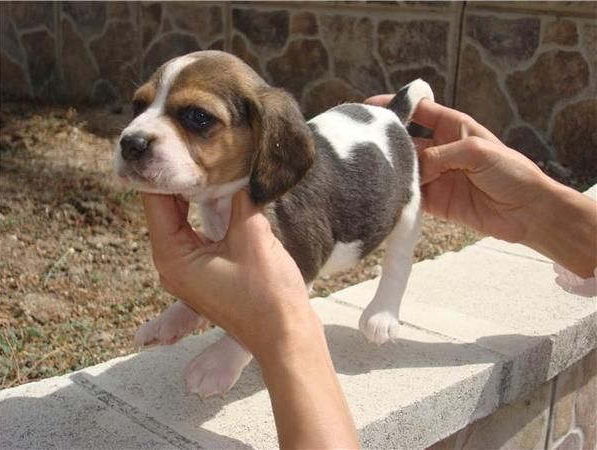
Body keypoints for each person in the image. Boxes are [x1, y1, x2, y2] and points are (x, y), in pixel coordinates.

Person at [140, 98, 597, 448]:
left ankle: (390, 296)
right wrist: (545, 213)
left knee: (402, 238)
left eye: (198, 119)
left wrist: (251, 342)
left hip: (379, 168)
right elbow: (236, 264)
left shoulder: (281, 187)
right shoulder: (235, 190)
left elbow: (294, 272)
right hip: (356, 134)